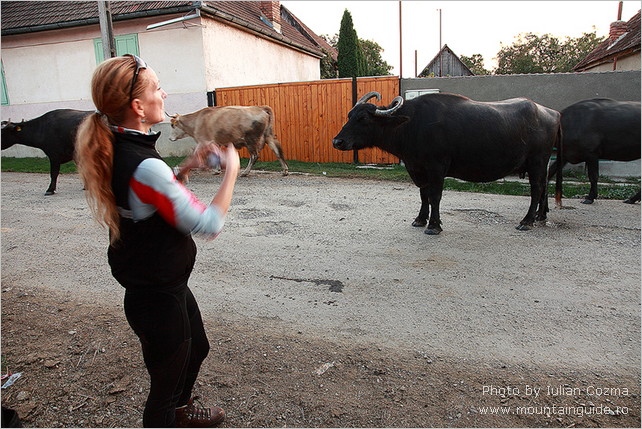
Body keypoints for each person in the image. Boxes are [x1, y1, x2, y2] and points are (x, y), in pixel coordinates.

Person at [75, 54, 239, 428]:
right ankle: (171, 415)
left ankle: (180, 411)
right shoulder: (144, 163)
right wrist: (231, 171)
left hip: (161, 285)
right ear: (138, 106)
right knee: (163, 389)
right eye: (158, 88)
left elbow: (147, 197)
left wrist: (185, 167)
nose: (164, 94)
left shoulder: (119, 145)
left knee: (197, 347)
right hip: (157, 294)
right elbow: (209, 223)